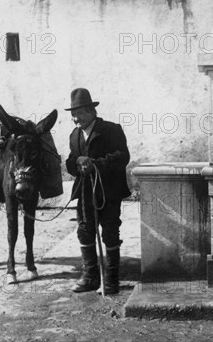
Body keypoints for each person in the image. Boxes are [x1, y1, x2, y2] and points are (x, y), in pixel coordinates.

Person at [65, 88, 131, 294]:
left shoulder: (111, 130)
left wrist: (96, 164)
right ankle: (90, 277)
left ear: (92, 112)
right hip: (84, 192)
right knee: (85, 232)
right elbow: (69, 163)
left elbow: (122, 156)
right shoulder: (74, 135)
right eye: (73, 115)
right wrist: (77, 161)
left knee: (110, 232)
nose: (76, 119)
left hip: (108, 191)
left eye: (80, 114)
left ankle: (111, 280)